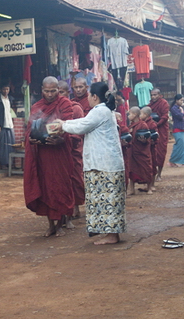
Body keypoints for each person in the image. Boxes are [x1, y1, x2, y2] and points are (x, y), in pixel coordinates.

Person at [57, 82, 126, 245]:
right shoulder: (103, 111)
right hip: (104, 163)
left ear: (94, 97)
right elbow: (83, 122)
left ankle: (112, 235)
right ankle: (109, 233)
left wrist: (63, 125)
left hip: (105, 164)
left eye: (88, 95)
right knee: (105, 199)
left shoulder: (100, 111)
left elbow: (83, 125)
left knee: (108, 199)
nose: (87, 98)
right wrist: (64, 124)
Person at [24, 76, 75, 237]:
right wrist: (30, 139)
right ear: (42, 90)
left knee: (59, 186)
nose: (50, 94)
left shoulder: (65, 104)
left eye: (53, 91)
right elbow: (30, 128)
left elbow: (69, 125)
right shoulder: (36, 107)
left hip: (59, 152)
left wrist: (61, 139)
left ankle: (60, 224)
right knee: (45, 187)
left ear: (58, 91)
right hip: (43, 153)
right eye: (47, 91)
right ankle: (50, 225)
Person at [58, 79, 84, 218]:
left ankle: (76, 207)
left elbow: (80, 130)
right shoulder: (55, 107)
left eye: (61, 92)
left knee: (74, 177)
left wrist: (67, 136)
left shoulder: (76, 108)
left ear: (68, 92)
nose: (58, 95)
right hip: (59, 149)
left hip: (73, 148)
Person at [127, 106, 153, 195]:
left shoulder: (143, 125)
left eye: (129, 114)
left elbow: (147, 137)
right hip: (132, 151)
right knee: (131, 169)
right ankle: (132, 189)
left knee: (146, 168)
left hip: (142, 151)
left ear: (135, 114)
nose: (128, 116)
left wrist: (144, 140)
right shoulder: (130, 126)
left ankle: (149, 188)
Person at [0, 82, 15, 170]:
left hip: (10, 125)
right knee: (2, 145)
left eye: (7, 89)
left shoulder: (10, 99)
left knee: (11, 144)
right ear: (1, 89)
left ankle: (10, 163)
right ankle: (3, 163)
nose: (5, 91)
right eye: (4, 89)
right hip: (1, 125)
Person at [148, 89, 170, 181]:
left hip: (161, 129)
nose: (153, 97)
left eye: (155, 95)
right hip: (152, 129)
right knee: (151, 151)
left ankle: (159, 174)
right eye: (152, 95)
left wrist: (157, 124)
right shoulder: (149, 105)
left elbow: (165, 116)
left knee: (161, 151)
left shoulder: (164, 103)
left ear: (160, 95)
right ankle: (152, 173)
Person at [169, 94, 184, 167]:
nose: (182, 102)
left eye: (183, 100)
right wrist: (183, 114)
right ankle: (172, 161)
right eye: (181, 100)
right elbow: (180, 116)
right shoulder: (173, 108)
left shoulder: (181, 108)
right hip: (177, 129)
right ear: (176, 100)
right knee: (179, 145)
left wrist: (183, 116)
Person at [140, 106, 158, 193]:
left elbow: (156, 137)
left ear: (146, 115)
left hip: (151, 148)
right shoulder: (141, 123)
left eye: (141, 114)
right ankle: (146, 184)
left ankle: (152, 185)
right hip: (143, 148)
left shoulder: (152, 124)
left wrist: (149, 140)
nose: (139, 115)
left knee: (152, 165)